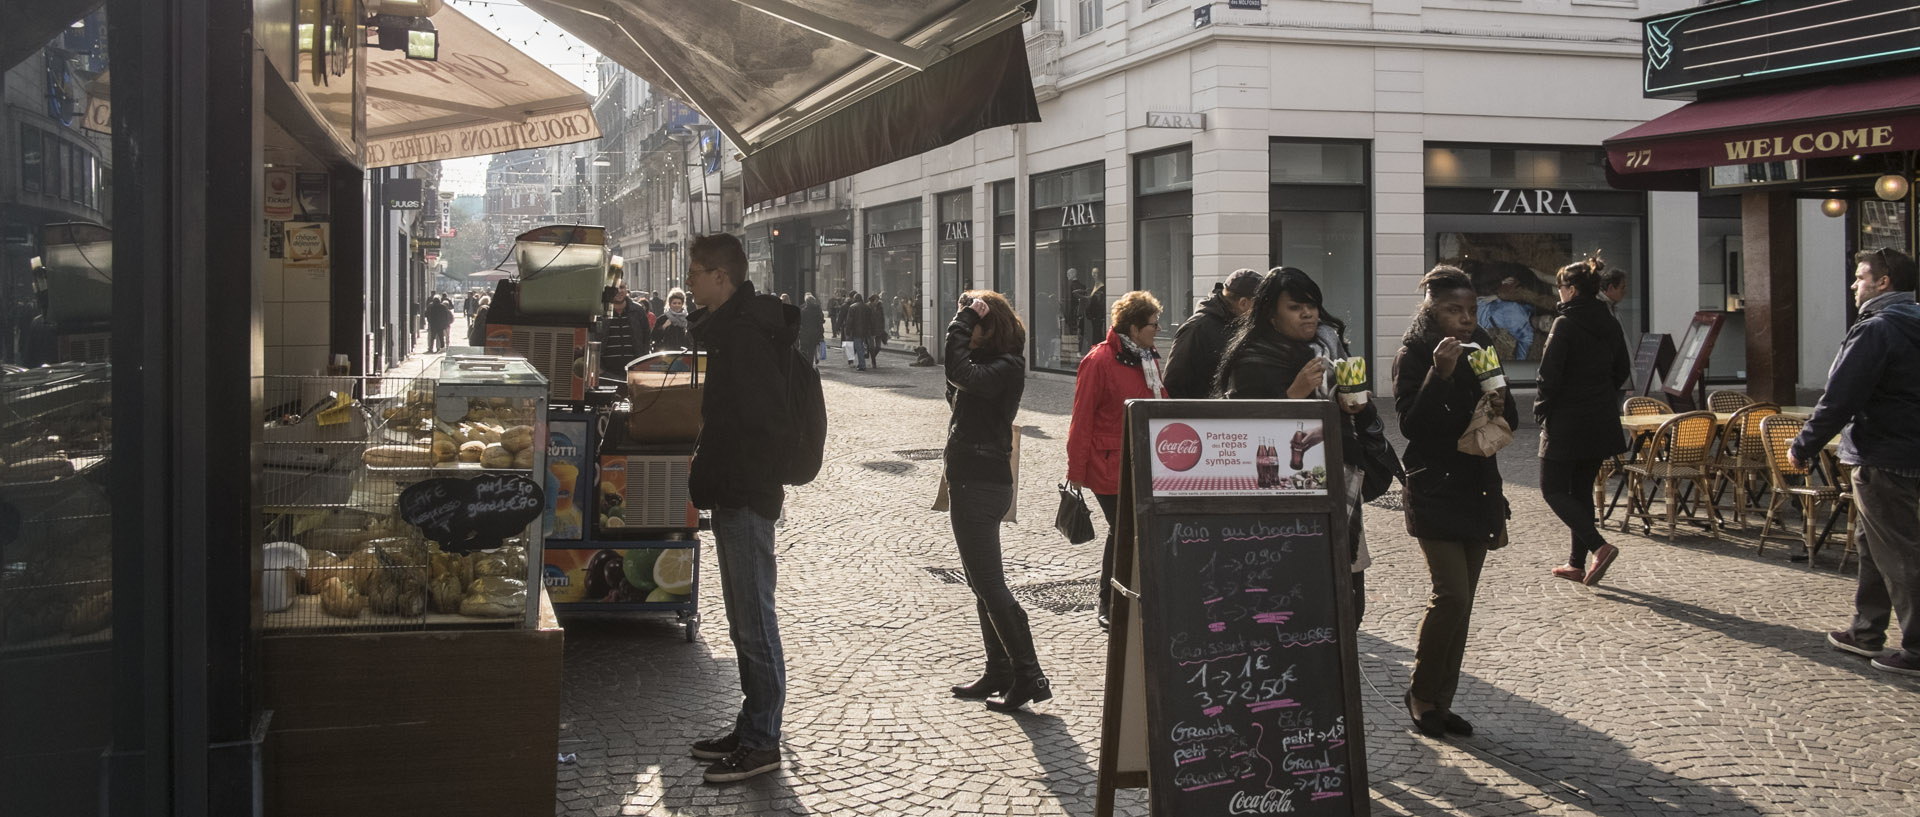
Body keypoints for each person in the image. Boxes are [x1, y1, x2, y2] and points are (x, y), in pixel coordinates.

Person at [683, 233, 800, 783]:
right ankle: (751, 722)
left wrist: (731, 472)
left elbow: (764, 424)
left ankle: (763, 741)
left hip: (747, 495)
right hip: (734, 491)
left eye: (696, 272)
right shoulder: (729, 330)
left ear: (721, 278)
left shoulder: (746, 336)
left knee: (755, 621)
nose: (688, 281)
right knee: (740, 620)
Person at [1213, 267, 1384, 624]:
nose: (1308, 313)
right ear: (1271, 314)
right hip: (1282, 499)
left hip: (1337, 482)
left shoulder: (1328, 347)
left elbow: (1354, 416)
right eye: (1295, 307)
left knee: (1348, 596)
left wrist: (1357, 408)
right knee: (1297, 593)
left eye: (1312, 305)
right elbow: (1241, 432)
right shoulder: (1253, 357)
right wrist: (1294, 394)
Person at [1394, 264, 1516, 740]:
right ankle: (1421, 694)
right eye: (1454, 310)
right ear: (1432, 310)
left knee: (1462, 606)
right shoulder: (1416, 352)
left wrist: (1501, 402)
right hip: (1434, 488)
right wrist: (1440, 375)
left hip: (1479, 486)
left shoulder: (1484, 347)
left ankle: (1440, 703)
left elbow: (1513, 421)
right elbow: (1412, 426)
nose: (1465, 319)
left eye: (1471, 310)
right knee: (1452, 595)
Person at [1794, 247, 1920, 677]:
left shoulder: (1877, 329)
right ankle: (1866, 630)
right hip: (1908, 451)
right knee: (1873, 544)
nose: (1854, 284)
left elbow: (1841, 397)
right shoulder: (1914, 321)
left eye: (1861, 276)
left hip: (1884, 454)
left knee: (1900, 554)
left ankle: (1918, 649)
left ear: (1883, 282)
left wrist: (1803, 445)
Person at [941, 290, 1050, 710]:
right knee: (980, 583)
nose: (967, 332)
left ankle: (1029, 675)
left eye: (973, 325)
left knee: (990, 584)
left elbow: (957, 373)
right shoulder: (989, 366)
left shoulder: (1006, 366)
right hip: (974, 477)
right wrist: (967, 320)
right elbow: (956, 382)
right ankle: (999, 670)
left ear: (990, 328)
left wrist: (961, 320)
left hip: (981, 483)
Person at [1067, 290, 1168, 629]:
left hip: (1143, 459)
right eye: (1153, 324)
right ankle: (1107, 601)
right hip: (1109, 462)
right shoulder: (1099, 361)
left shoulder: (1148, 357)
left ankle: (1131, 594)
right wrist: (1076, 471)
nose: (1158, 329)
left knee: (1134, 529)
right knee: (1122, 529)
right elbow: (1081, 420)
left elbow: (1161, 402)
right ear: (1135, 327)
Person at [1535, 258, 1631, 586]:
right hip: (1600, 419)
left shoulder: (1565, 324)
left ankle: (1598, 547)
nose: (1558, 294)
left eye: (1561, 288)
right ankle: (1576, 564)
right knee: (1580, 490)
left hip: (1566, 421)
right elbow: (1622, 370)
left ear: (1572, 290)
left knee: (1552, 489)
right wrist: (1600, 394)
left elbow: (1549, 375)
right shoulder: (1610, 323)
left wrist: (1541, 409)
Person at [1164, 268, 1263, 398]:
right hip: (1207, 415)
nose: (1263, 309)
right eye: (1260, 303)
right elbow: (1173, 384)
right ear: (1243, 303)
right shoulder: (1197, 328)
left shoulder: (1244, 324)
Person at [598, 283, 652, 378]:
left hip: (634, 370)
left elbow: (646, 337)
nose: (619, 291)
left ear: (626, 289)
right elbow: (593, 337)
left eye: (622, 287)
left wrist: (643, 362)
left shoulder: (637, 310)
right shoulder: (600, 310)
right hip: (607, 372)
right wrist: (599, 368)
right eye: (615, 288)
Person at [842, 290, 869, 370]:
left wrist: (847, 332)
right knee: (862, 347)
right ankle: (862, 363)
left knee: (859, 348)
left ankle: (862, 365)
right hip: (865, 330)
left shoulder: (852, 307)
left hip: (856, 331)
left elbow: (849, 321)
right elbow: (870, 319)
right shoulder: (866, 307)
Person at [798, 292, 825, 365]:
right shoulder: (817, 310)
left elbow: (800, 322)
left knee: (803, 349)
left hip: (805, 333)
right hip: (814, 333)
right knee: (811, 350)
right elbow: (820, 322)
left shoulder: (803, 311)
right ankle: (810, 364)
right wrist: (821, 333)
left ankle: (804, 364)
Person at [866, 293, 889, 368]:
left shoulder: (880, 307)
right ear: (872, 301)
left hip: (879, 329)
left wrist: (883, 328)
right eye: (876, 300)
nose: (877, 301)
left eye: (878, 300)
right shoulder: (868, 307)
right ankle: (873, 362)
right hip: (871, 329)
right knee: (871, 347)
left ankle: (872, 357)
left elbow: (882, 318)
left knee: (878, 347)